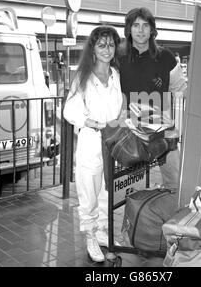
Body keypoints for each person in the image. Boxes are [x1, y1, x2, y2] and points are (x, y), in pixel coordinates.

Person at [63, 26, 123, 262]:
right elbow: (69, 110)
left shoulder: (115, 76)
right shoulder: (83, 77)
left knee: (106, 191)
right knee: (89, 191)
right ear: (93, 49)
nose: (107, 50)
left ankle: (102, 233)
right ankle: (90, 236)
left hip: (111, 143)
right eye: (102, 45)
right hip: (91, 141)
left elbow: (118, 108)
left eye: (111, 44)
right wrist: (93, 122)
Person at [118, 7, 187, 189]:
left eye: (145, 26)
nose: (140, 31)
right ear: (129, 29)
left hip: (163, 129)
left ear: (152, 30)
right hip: (129, 129)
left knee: (175, 181)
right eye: (136, 25)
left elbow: (181, 89)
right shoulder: (118, 57)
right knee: (129, 186)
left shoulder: (166, 57)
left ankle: (172, 213)